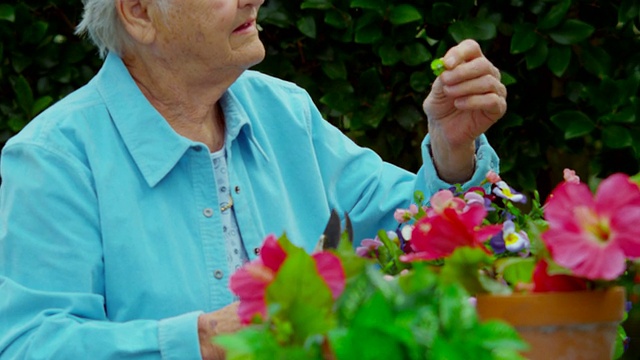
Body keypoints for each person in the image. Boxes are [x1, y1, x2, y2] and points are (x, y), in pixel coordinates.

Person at [0, 0, 506, 359]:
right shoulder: (55, 158)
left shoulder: (286, 111)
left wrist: (451, 147)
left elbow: (405, 222)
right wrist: (202, 340)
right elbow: (30, 344)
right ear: (139, 13)